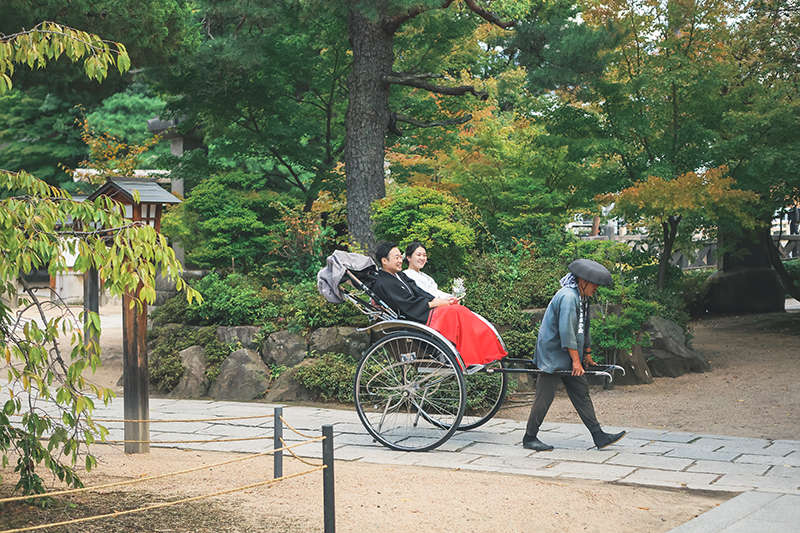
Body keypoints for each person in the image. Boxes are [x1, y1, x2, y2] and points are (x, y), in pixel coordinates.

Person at [522, 259, 626, 451]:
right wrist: (576, 361)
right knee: (545, 396)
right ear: (581, 281)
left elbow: (584, 327)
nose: (596, 287)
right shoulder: (568, 297)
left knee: (581, 392)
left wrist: (586, 353)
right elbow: (566, 331)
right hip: (553, 353)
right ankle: (529, 437)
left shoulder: (582, 297)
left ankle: (598, 435)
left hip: (570, 355)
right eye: (593, 283)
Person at [371, 241, 507, 367]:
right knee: (455, 312)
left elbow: (420, 293)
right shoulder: (384, 283)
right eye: (396, 258)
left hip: (422, 310)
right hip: (415, 316)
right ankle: (468, 356)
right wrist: (438, 303)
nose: (400, 261)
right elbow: (408, 304)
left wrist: (442, 301)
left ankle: (483, 353)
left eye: (400, 257)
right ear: (384, 261)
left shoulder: (400, 276)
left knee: (459, 309)